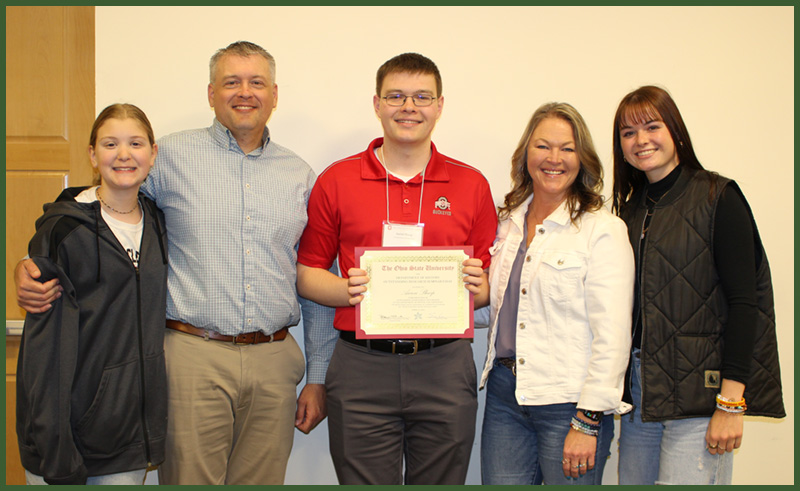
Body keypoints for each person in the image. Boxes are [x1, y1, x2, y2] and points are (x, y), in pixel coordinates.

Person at [15, 41, 336, 485]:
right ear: (210, 93)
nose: (245, 92)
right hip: (191, 357)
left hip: (274, 361)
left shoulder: (300, 175)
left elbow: (317, 274)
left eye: (256, 82)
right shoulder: (168, 157)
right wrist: (37, 258)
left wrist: (317, 376)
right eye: (231, 82)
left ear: (275, 94)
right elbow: (104, 205)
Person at [295, 52, 497, 485]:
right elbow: (307, 272)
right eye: (396, 96)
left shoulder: (472, 184)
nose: (409, 107)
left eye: (422, 96)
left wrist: (478, 288)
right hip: (361, 367)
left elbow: (486, 289)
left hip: (444, 365)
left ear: (440, 106)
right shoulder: (337, 179)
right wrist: (347, 291)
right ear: (377, 103)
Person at [611, 85, 785, 485]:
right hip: (642, 395)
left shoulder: (717, 196)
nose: (641, 140)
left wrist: (730, 403)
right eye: (628, 133)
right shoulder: (629, 210)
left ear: (676, 131)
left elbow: (746, 302)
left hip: (702, 397)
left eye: (651, 127)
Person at [478, 102, 634, 485]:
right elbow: (498, 310)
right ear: (525, 154)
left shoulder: (602, 230)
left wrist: (587, 419)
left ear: (583, 159)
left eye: (567, 148)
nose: (554, 158)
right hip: (504, 395)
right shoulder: (508, 224)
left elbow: (613, 337)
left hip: (569, 403)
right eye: (543, 146)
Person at [16, 103, 168, 485]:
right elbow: (44, 349)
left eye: (135, 143)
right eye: (109, 143)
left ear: (153, 153)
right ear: (92, 154)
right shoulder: (65, 229)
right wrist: (52, 441)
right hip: (70, 433)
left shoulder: (159, 222)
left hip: (130, 435)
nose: (123, 154)